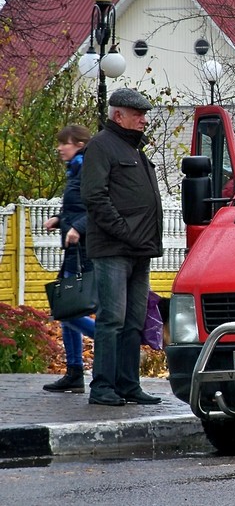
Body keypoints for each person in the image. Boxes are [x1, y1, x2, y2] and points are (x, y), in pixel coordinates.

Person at [81, 87, 164, 407]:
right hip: (113, 250)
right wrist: (125, 232)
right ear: (118, 115)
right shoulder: (101, 145)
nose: (144, 120)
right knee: (112, 319)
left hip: (139, 250)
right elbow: (94, 197)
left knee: (133, 321)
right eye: (138, 114)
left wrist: (140, 239)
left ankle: (129, 385)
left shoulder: (134, 149)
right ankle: (102, 387)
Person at [42, 124, 97, 393]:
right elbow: (76, 207)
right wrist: (59, 219)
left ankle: (108, 341)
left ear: (79, 145)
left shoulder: (87, 168)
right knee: (67, 311)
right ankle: (74, 371)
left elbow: (97, 206)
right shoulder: (74, 170)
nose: (59, 148)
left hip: (85, 252)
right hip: (73, 252)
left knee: (67, 310)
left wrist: (77, 228)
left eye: (64, 143)